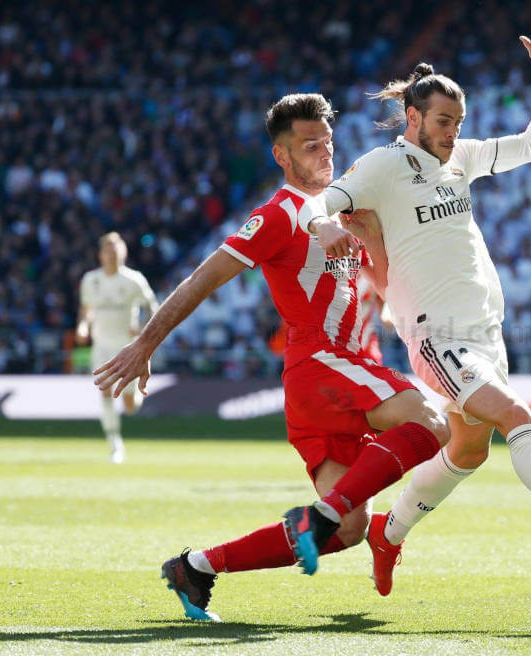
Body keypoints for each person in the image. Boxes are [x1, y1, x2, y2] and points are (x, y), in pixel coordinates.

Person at [304, 16, 531, 594]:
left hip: (485, 331)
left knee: (468, 450)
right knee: (519, 418)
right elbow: (321, 202)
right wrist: (324, 229)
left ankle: (390, 531)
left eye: (458, 122)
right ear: (412, 118)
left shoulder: (460, 158)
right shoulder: (384, 166)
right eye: (442, 121)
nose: (451, 131)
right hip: (437, 334)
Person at [93, 93, 449, 620]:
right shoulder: (278, 214)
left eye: (327, 142)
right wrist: (146, 344)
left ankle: (195, 567)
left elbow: (378, 277)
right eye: (310, 146)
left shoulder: (346, 203)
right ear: (282, 156)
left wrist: (373, 245)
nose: (324, 153)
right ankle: (325, 516)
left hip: (327, 384)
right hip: (321, 364)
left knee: (348, 532)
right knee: (433, 423)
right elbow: (203, 278)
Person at [76, 232, 158, 463]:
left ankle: (132, 399)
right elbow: (86, 310)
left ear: (124, 253)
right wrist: (83, 327)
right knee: (104, 393)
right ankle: (115, 444)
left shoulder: (134, 280)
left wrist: (143, 329)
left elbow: (153, 309)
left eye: (116, 249)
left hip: (127, 348)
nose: (112, 254)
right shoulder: (90, 280)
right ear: (101, 254)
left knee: (129, 405)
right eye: (108, 250)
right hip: (101, 347)